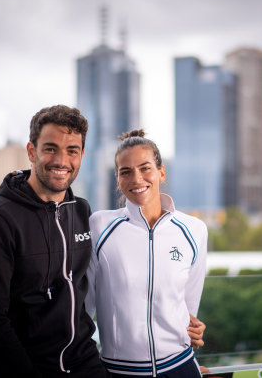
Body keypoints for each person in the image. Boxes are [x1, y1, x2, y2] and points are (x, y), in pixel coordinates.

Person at [0, 105, 108, 377]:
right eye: (50, 148)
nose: (61, 160)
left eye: (72, 151)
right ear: (32, 151)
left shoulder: (80, 211)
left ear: (81, 155)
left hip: (82, 363)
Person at [85, 129, 208, 377]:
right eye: (126, 172)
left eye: (145, 168)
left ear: (161, 172)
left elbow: (188, 310)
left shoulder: (194, 230)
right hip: (118, 371)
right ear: (118, 180)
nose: (137, 179)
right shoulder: (99, 227)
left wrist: (195, 329)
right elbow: (82, 312)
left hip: (181, 367)